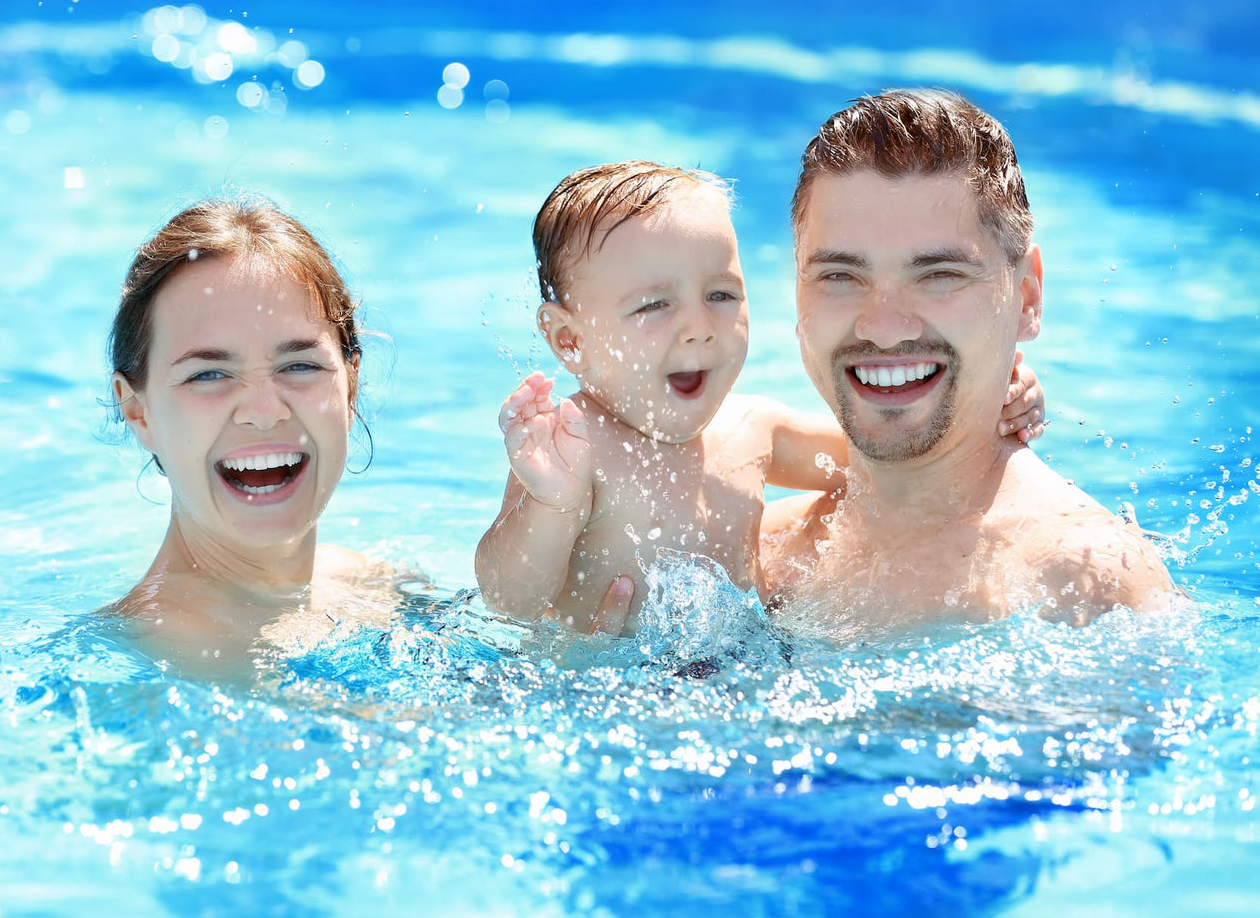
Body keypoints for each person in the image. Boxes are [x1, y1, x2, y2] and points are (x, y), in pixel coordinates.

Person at [475, 161, 1046, 632]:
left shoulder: (753, 428)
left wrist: (992, 406)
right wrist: (549, 503)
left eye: (721, 294)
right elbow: (510, 599)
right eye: (654, 305)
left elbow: (901, 460)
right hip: (599, 690)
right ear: (570, 340)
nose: (699, 326)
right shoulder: (574, 448)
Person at [762, 90, 1178, 635]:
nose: (884, 327)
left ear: (1026, 298)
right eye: (840, 275)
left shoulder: (1083, 582)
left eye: (939, 275)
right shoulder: (759, 553)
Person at [104, 197, 394, 675]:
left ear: (351, 387)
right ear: (138, 412)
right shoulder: (147, 658)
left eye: (299, 365)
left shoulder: (376, 585)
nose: (264, 412)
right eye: (208, 374)